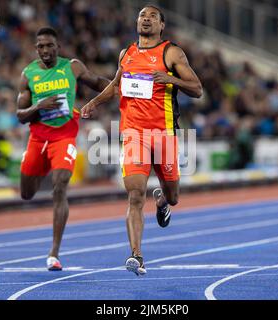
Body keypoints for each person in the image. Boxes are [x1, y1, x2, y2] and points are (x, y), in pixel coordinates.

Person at [81, 5, 202, 275]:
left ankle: (162, 202)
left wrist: (169, 78)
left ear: (161, 26)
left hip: (164, 135)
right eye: (142, 16)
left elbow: (197, 89)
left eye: (152, 17)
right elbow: (115, 85)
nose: (146, 19)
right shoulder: (127, 53)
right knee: (135, 195)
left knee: (173, 196)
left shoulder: (171, 52)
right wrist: (94, 102)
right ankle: (136, 255)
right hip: (134, 134)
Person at [17, 27, 110, 271]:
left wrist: (124, 88)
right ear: (36, 49)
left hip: (64, 137)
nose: (45, 50)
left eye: (49, 45)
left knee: (60, 185)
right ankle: (39, 169)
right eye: (41, 46)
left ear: (58, 47)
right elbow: (20, 115)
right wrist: (38, 105)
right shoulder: (28, 74)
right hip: (38, 138)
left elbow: (98, 82)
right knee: (26, 193)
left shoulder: (72, 67)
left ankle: (54, 253)